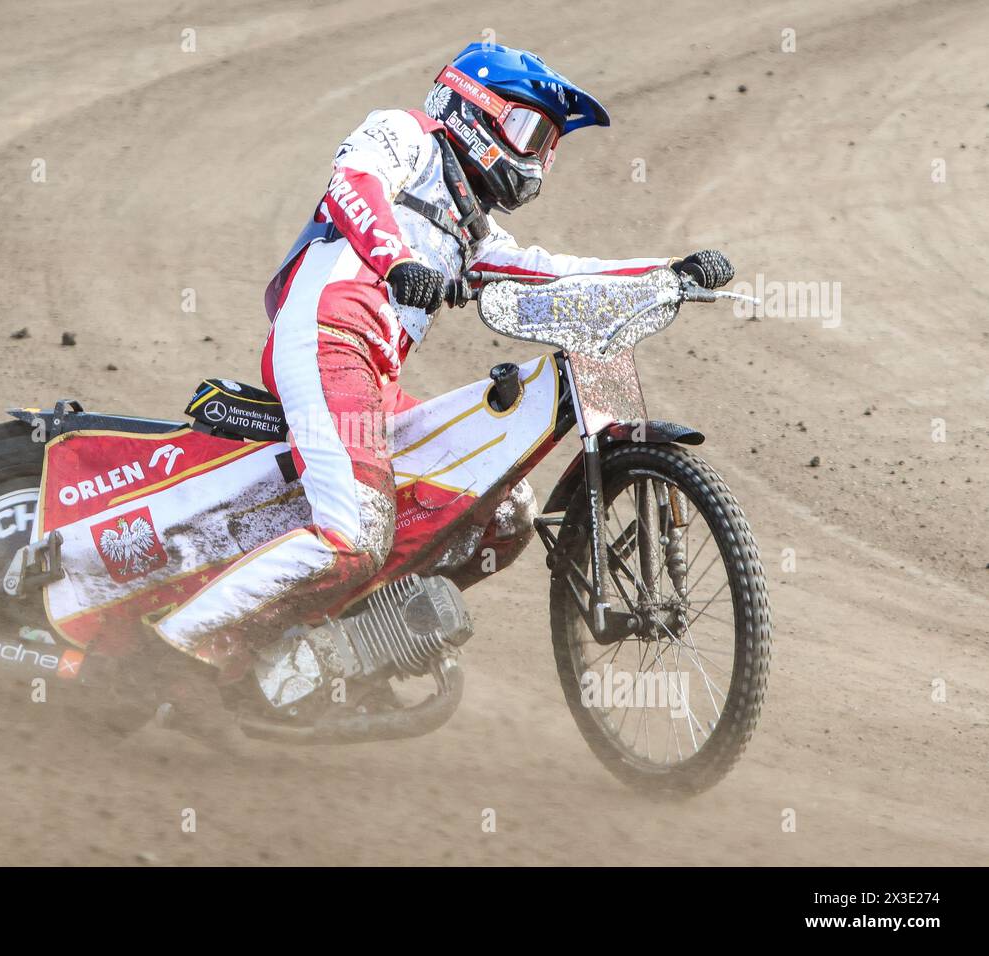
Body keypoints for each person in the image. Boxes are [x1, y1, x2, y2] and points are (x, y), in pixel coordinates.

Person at [152, 42, 730, 687]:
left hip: (373, 375)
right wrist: (397, 261)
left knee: (503, 514)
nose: (537, 157)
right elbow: (355, 184)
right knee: (355, 534)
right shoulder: (405, 134)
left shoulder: (471, 228)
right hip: (327, 335)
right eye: (530, 130)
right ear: (471, 106)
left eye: (548, 145)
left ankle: (328, 650)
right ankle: (170, 652)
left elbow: (547, 272)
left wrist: (667, 273)